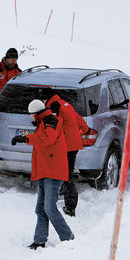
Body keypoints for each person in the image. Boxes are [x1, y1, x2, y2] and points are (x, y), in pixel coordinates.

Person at [11, 99, 74, 249]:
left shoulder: (50, 121)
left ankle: (68, 238)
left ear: (36, 114)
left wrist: (24, 138)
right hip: (44, 170)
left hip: (53, 171)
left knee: (49, 208)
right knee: (40, 209)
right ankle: (39, 241)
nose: (31, 118)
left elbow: (47, 139)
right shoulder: (43, 122)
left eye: (31, 115)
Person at [40, 88, 89, 217]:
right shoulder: (65, 104)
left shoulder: (54, 106)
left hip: (66, 146)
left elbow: (56, 124)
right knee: (65, 173)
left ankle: (70, 207)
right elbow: (77, 118)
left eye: (43, 100)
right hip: (73, 145)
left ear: (46, 99)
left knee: (66, 176)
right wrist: (86, 129)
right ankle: (64, 195)